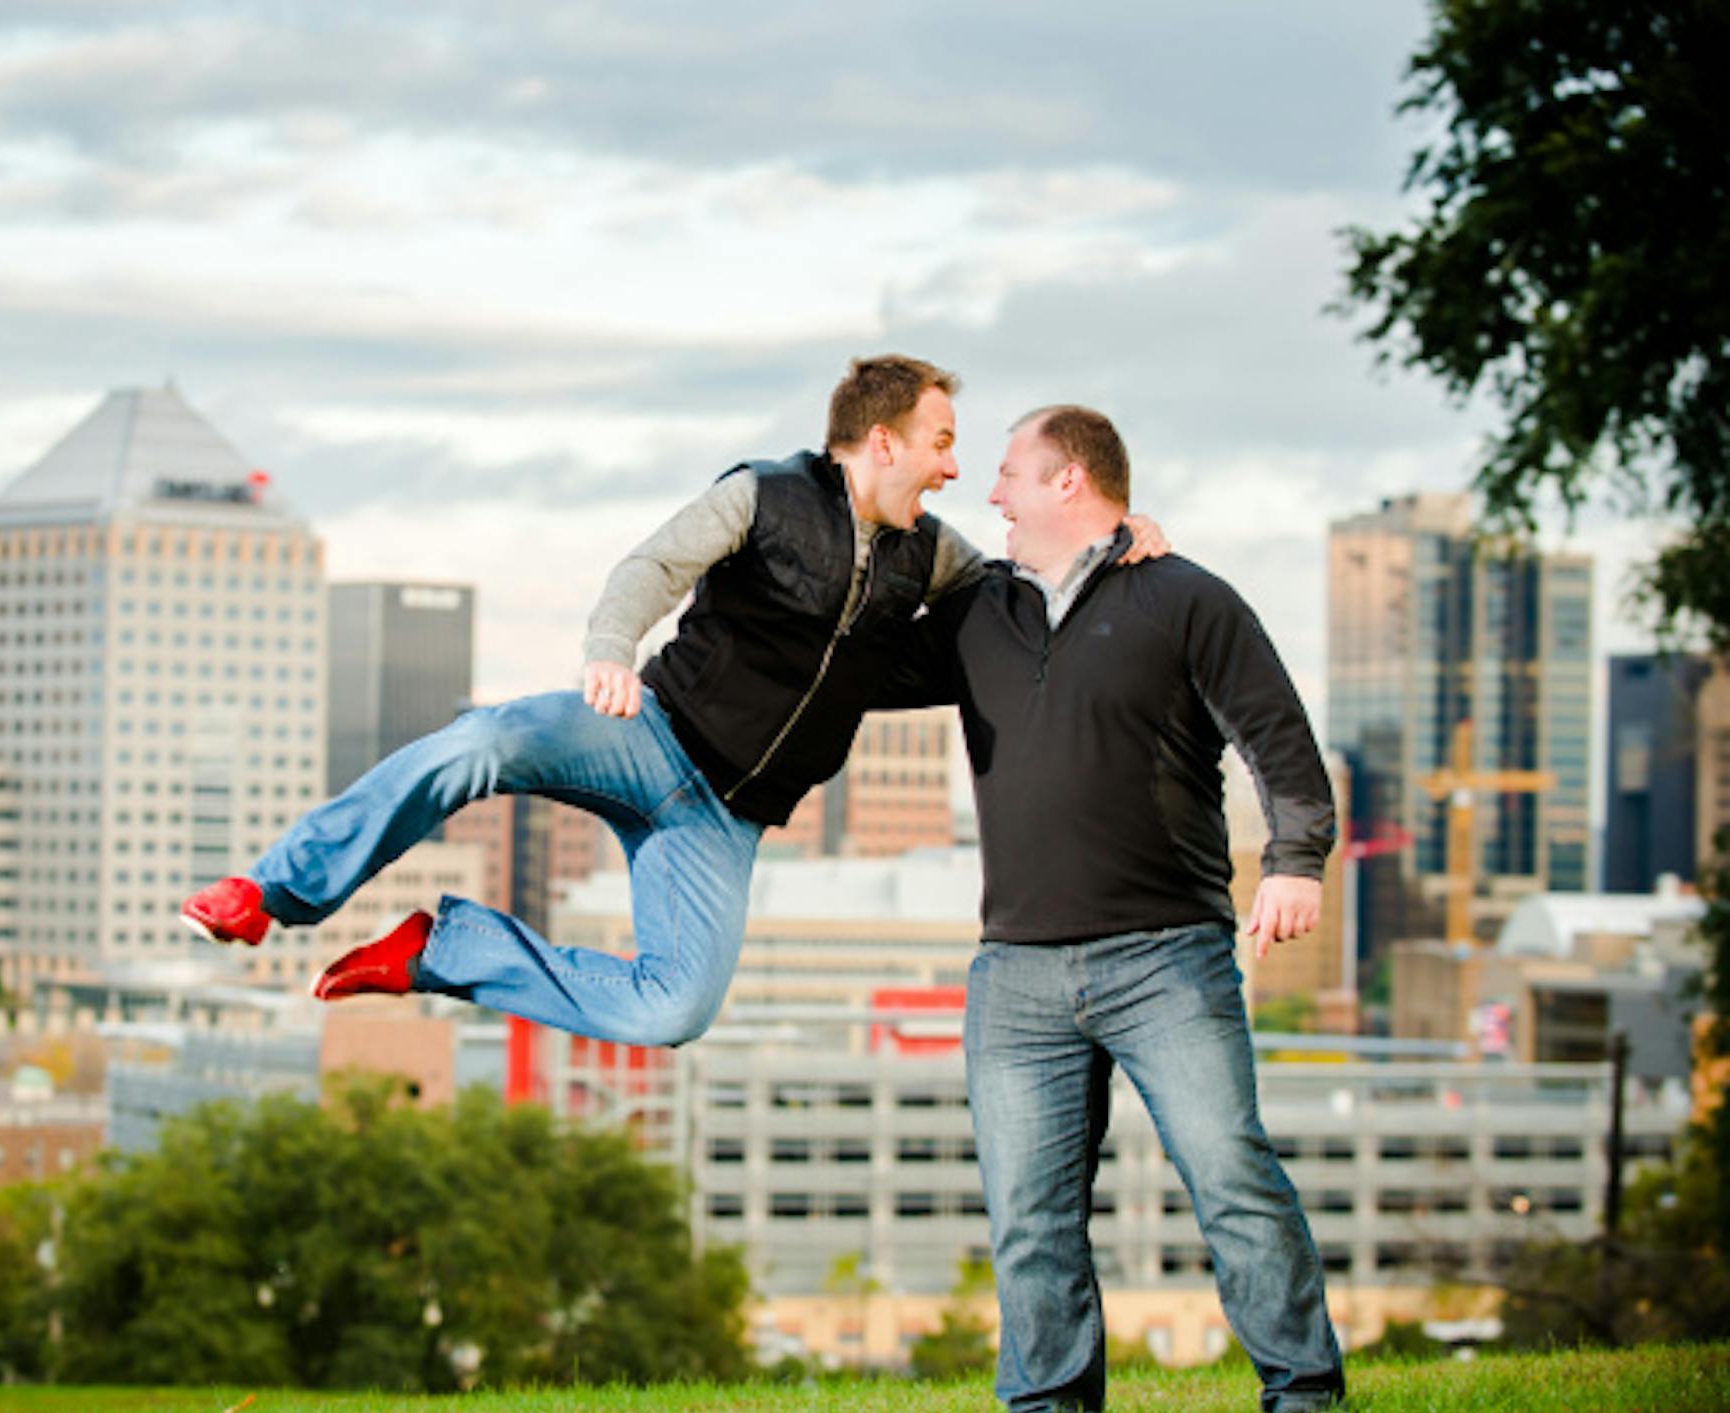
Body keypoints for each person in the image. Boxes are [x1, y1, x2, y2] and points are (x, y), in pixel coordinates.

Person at [180, 356, 1164, 1046]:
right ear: (881, 441)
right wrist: (610, 649)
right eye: (942, 442)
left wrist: (1112, 541)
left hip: (722, 822)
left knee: (671, 1012)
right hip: (643, 736)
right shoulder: (764, 496)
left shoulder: (931, 552)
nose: (954, 467)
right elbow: (653, 564)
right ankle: (273, 892)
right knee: (476, 742)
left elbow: (1021, 598)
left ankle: (443, 950)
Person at [891, 405, 1344, 1413]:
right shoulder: (973, 617)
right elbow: (849, 656)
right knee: (1028, 1217)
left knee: (1232, 1177)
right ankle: (1048, 1411)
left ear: (1069, 482)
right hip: (1015, 977)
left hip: (1167, 962)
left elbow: (1280, 741)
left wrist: (1295, 863)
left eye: (1009, 473)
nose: (991, 493)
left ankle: (1306, 1397)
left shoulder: (1185, 599)